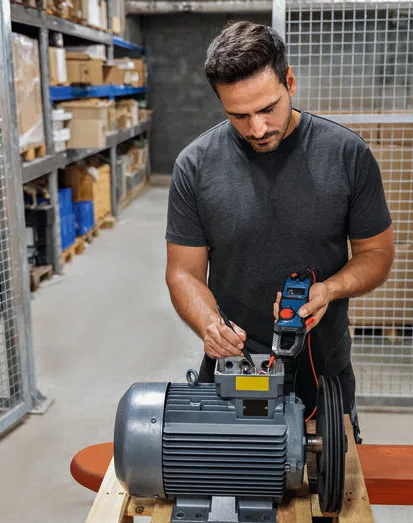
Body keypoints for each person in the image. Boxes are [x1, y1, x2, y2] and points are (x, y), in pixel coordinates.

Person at [164, 21, 394, 443]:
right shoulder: (195, 166)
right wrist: (209, 324)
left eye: (268, 108)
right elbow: (183, 273)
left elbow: (377, 254)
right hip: (234, 370)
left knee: (328, 496)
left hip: (322, 369)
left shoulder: (347, 155)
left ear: (290, 81)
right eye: (238, 115)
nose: (257, 128)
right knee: (229, 492)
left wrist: (330, 289)